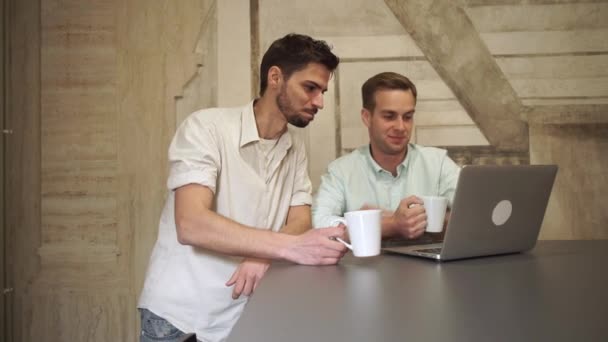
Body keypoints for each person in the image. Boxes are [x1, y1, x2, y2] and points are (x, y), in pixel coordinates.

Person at [138, 33, 348, 342]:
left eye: (322, 91)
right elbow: (191, 223)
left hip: (242, 318)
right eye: (310, 88)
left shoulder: (296, 145)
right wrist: (283, 247)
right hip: (179, 321)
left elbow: (300, 220)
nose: (319, 102)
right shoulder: (205, 127)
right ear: (275, 77)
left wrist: (262, 254)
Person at [312, 72, 461, 240]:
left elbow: (475, 214)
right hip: (365, 266)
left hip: (430, 266)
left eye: (408, 117)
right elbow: (318, 223)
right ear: (367, 117)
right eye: (389, 116)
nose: (400, 127)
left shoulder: (438, 164)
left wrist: (425, 221)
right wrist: (390, 224)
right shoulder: (341, 171)